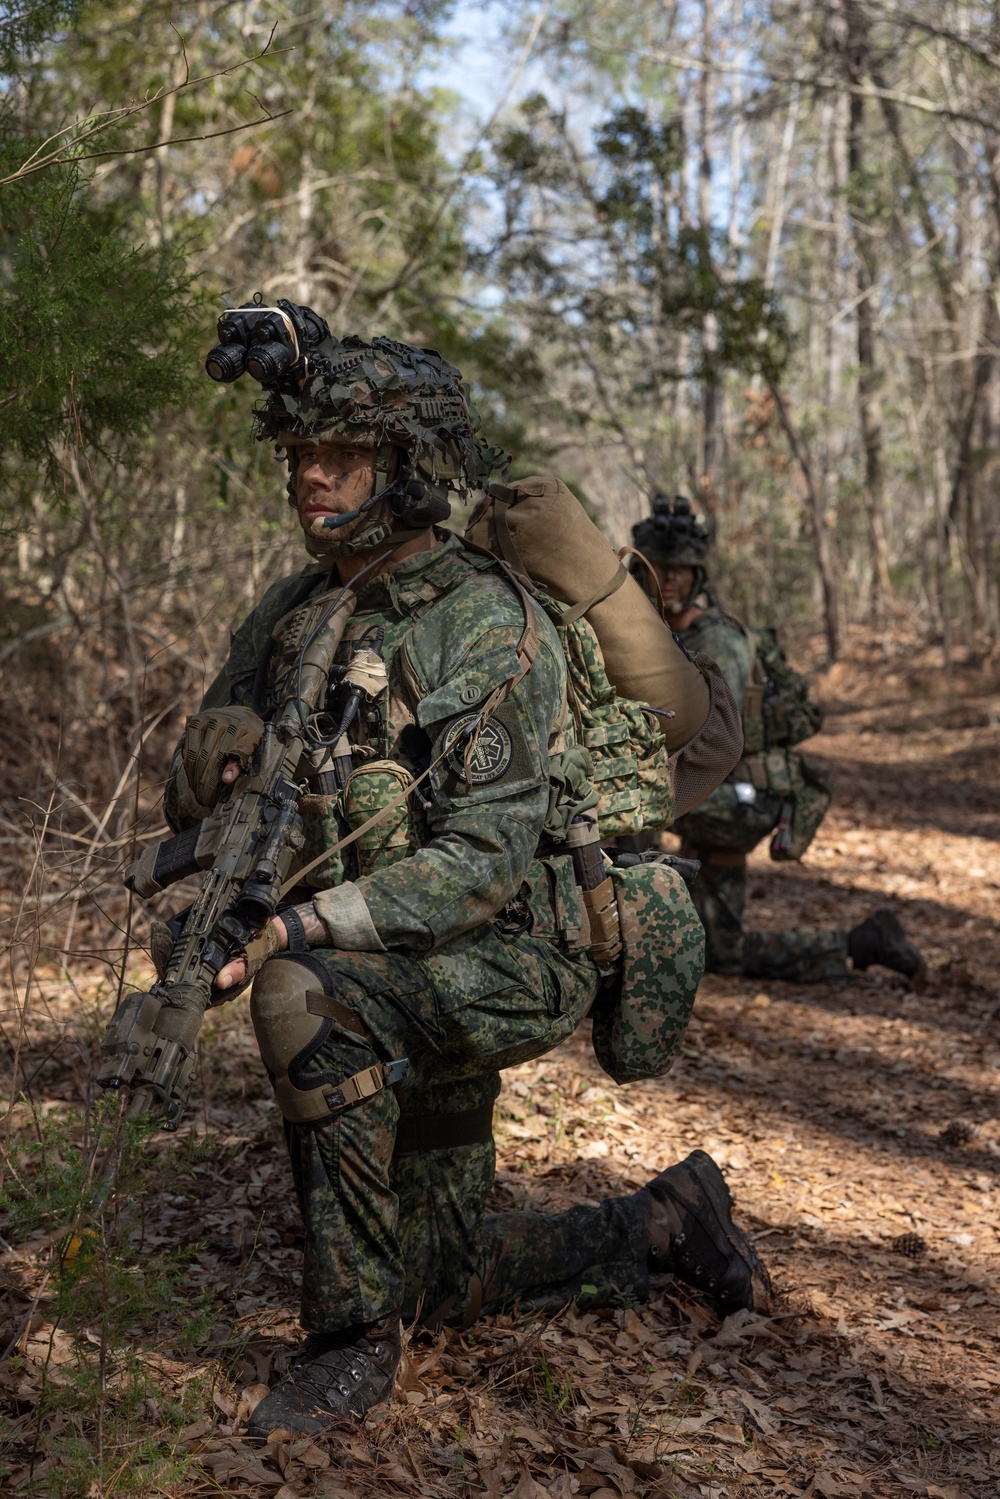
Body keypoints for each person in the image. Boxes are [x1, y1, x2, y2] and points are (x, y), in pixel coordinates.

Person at [161, 327, 768, 1438]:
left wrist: (298, 922)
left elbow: (481, 864)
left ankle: (347, 1346)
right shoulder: (299, 606)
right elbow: (194, 777)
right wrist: (215, 754)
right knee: (437, 1274)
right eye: (300, 450)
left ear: (404, 466)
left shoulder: (483, 618)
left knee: (303, 1000)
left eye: (341, 452)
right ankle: (665, 1221)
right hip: (392, 939)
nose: (311, 473)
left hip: (515, 945)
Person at [629, 495, 924, 986]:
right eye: (660, 567)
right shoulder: (661, 634)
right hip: (718, 799)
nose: (670, 578)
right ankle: (863, 943)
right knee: (720, 950)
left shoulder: (717, 639)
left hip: (733, 799)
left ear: (698, 574)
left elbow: (706, 736)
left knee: (620, 801)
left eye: (681, 568)